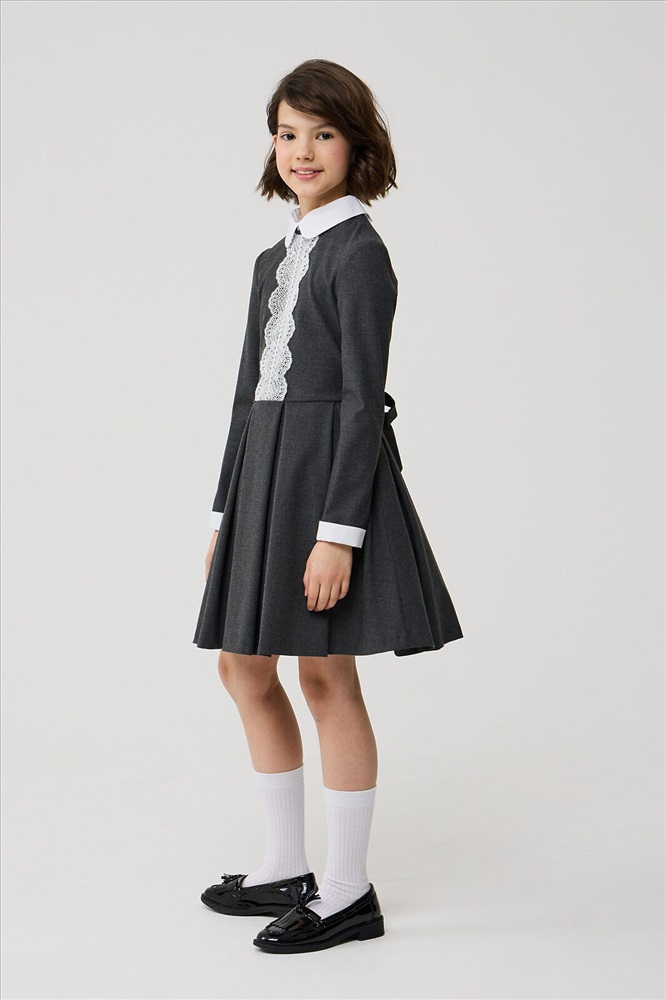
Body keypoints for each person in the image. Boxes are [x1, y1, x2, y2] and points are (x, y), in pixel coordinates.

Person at [193, 58, 464, 954]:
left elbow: (360, 400)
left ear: (356, 145)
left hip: (324, 486)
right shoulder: (272, 260)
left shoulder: (359, 252)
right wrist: (224, 515)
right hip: (264, 481)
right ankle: (284, 865)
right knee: (243, 666)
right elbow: (246, 397)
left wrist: (338, 534)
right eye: (287, 133)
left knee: (324, 676)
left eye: (323, 133)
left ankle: (348, 891)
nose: (302, 150)